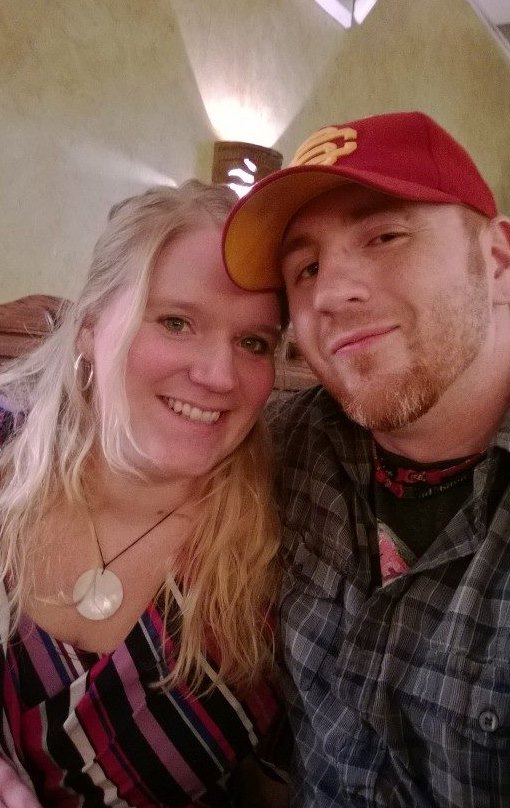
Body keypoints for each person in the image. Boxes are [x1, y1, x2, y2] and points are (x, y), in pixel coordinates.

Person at [222, 111, 510, 807]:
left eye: (384, 236)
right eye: (306, 268)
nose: (329, 295)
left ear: (499, 261)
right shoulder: (284, 444)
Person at [0, 180, 291, 807]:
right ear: (89, 327)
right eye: (176, 322)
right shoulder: (5, 460)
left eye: (254, 342)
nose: (218, 376)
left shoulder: (290, 541)